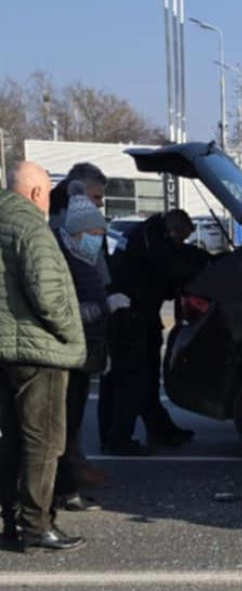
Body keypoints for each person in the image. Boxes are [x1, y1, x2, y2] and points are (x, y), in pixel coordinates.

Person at [0, 161, 87, 552]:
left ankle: (10, 519)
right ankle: (37, 524)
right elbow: (47, 293)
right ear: (37, 193)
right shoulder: (32, 227)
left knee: (11, 439)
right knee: (44, 441)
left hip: (6, 350)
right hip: (40, 351)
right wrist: (72, 336)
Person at [53, 183, 130, 512]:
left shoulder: (85, 257)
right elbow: (63, 308)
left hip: (86, 351)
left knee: (70, 424)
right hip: (70, 353)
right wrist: (104, 307)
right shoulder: (68, 260)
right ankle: (64, 490)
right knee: (64, 427)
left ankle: (67, 486)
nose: (98, 237)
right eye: (94, 231)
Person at [104, 209, 207, 454]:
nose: (181, 243)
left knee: (147, 379)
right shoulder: (151, 241)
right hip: (131, 319)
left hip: (142, 317)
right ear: (174, 230)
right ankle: (120, 439)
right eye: (181, 238)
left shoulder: (149, 235)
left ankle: (160, 430)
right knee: (133, 380)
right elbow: (172, 268)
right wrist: (203, 266)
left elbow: (175, 260)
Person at [49, 163, 110, 490]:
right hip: (70, 339)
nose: (100, 204)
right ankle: (63, 484)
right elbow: (59, 295)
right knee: (65, 417)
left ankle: (71, 474)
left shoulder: (75, 227)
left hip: (83, 337)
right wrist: (97, 307)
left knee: (71, 413)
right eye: (96, 197)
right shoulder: (59, 232)